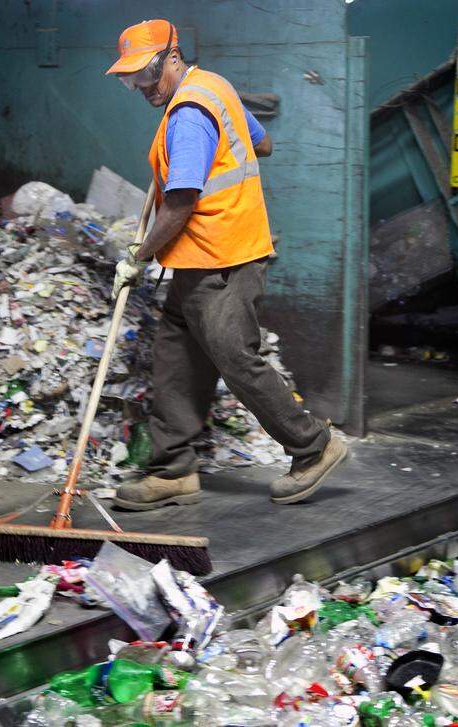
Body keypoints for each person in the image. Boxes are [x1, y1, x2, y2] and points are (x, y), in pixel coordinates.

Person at [104, 19, 346, 509]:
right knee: (176, 356)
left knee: (236, 358)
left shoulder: (189, 112)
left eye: (146, 75)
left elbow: (181, 202)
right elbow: (262, 144)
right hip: (200, 262)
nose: (141, 88)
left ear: (172, 57)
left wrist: (139, 256)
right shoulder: (214, 87)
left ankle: (314, 447)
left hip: (223, 259)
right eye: (131, 80)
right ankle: (173, 471)